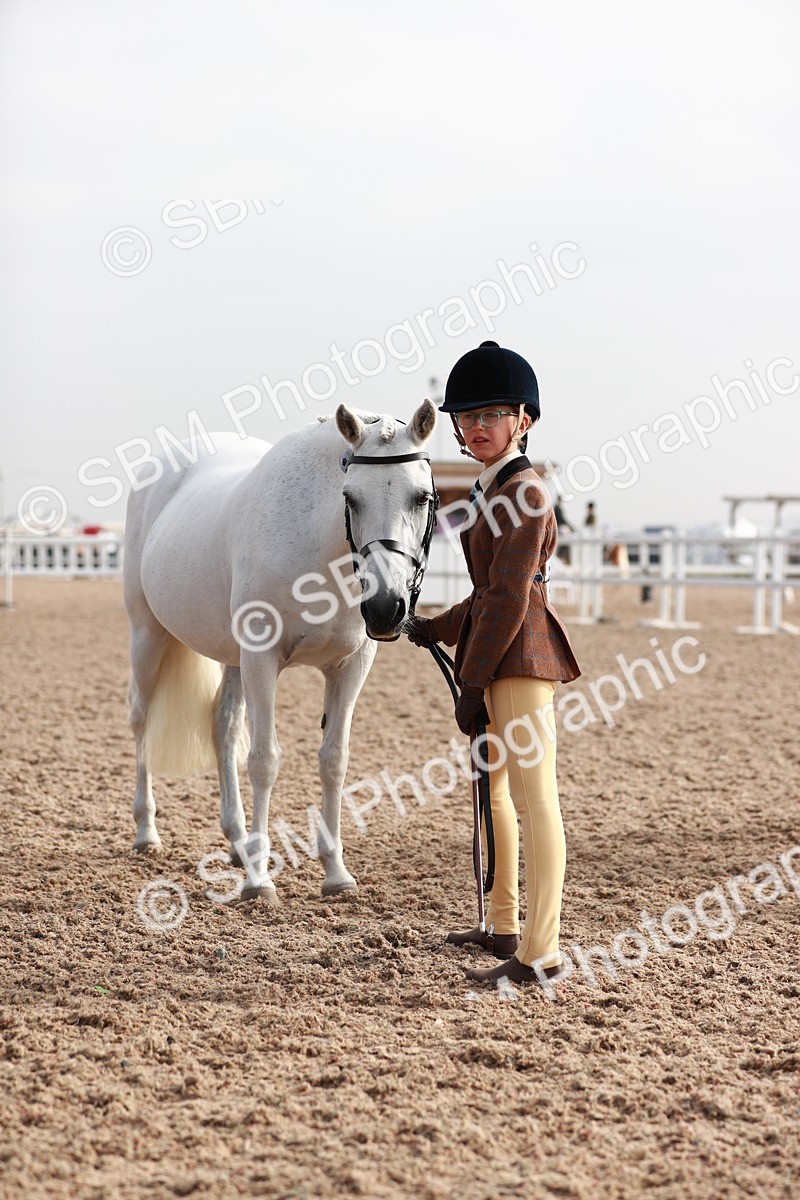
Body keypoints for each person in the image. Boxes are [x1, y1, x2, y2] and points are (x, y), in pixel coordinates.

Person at [407, 340, 581, 988]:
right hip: (499, 656)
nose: (476, 427)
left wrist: (471, 683)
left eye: (491, 415)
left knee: (537, 801)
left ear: (523, 420)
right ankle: (503, 923)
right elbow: (484, 597)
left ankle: (541, 954)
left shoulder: (526, 494)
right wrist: (430, 626)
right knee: (496, 795)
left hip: (520, 663)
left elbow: (509, 599)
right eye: (467, 417)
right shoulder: (495, 489)